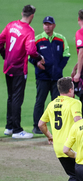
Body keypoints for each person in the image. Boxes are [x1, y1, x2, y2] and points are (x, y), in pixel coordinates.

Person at [38, 77, 82, 181]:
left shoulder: (52, 104)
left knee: (76, 175)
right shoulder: (75, 103)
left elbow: (41, 124)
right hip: (72, 147)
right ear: (70, 90)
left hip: (58, 147)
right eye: (73, 88)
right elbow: (78, 122)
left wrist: (50, 136)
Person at [0, 5, 44, 138]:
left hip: (8, 66)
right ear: (32, 16)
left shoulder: (11, 25)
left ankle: (9, 127)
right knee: (17, 98)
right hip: (19, 68)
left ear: (22, 13)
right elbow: (31, 50)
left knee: (11, 97)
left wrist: (4, 55)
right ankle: (17, 130)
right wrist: (39, 57)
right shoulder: (29, 30)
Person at [29, 16, 70, 134]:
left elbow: (66, 54)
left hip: (57, 78)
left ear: (54, 25)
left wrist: (59, 67)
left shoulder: (60, 39)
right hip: (42, 77)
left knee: (57, 103)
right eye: (45, 24)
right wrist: (36, 63)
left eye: (50, 24)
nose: (47, 26)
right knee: (40, 101)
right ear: (43, 26)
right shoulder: (37, 40)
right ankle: (37, 127)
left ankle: (57, 126)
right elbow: (30, 56)